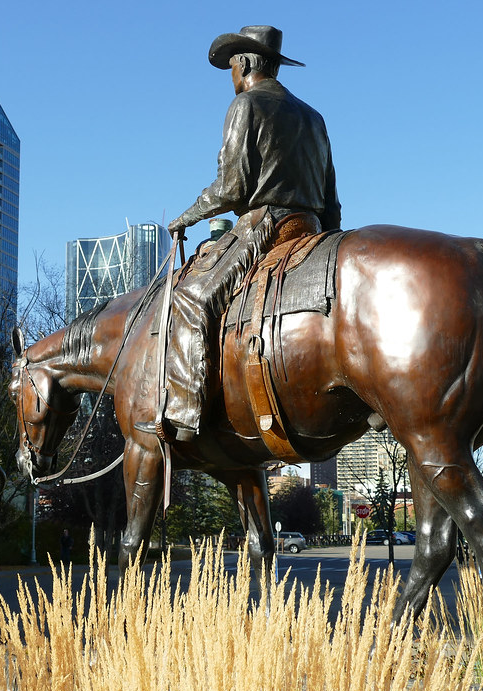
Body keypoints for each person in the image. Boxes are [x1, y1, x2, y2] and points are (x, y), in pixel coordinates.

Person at [136, 25, 341, 443]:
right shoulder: (314, 117)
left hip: (264, 228)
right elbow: (332, 201)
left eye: (232, 65)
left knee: (190, 299)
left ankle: (185, 413)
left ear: (245, 63)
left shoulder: (245, 105)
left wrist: (186, 217)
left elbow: (231, 189)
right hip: (313, 229)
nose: (231, 75)